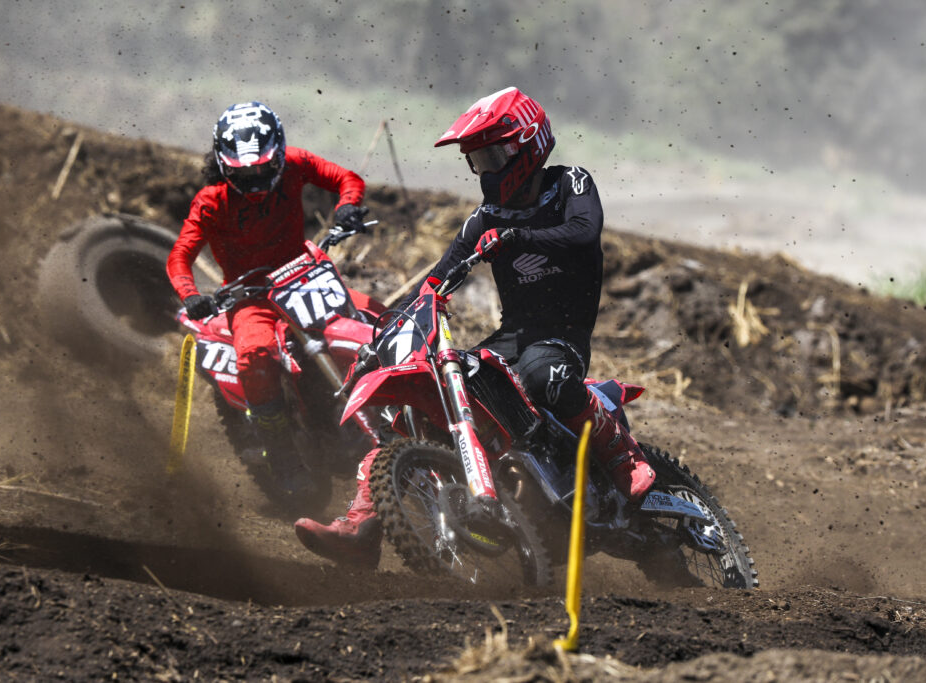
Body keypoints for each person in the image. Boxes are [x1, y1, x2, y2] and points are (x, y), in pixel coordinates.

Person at [294, 86, 656, 568]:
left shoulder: (570, 184)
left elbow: (584, 231)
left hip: (562, 335)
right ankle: (363, 523)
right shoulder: (484, 218)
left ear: (526, 146)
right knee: (443, 392)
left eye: (492, 156)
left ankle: (622, 456)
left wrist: (516, 237)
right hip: (515, 333)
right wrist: (383, 333)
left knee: (543, 374)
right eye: (477, 161)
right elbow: (434, 282)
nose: (485, 170)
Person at [166, 101, 368, 495]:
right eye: (246, 172)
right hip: (250, 296)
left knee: (369, 321)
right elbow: (179, 257)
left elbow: (347, 178)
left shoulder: (295, 163)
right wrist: (191, 295)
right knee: (255, 358)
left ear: (278, 153)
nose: (257, 178)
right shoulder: (211, 201)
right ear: (224, 166)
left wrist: (347, 208)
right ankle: (283, 460)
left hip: (305, 274)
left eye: (263, 167)